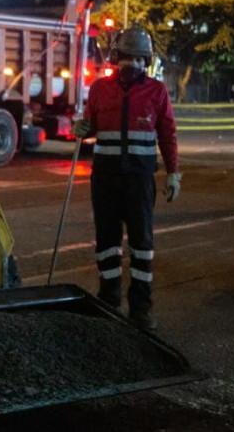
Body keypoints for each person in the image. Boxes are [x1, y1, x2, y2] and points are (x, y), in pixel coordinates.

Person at [73, 25, 180, 331]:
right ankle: (108, 300)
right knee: (106, 242)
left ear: (146, 61)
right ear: (116, 56)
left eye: (137, 58)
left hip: (139, 178)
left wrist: (173, 173)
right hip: (105, 179)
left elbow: (168, 135)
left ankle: (141, 308)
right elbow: (90, 125)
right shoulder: (99, 89)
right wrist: (82, 129)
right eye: (126, 57)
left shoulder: (156, 92)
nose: (130, 64)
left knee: (141, 243)